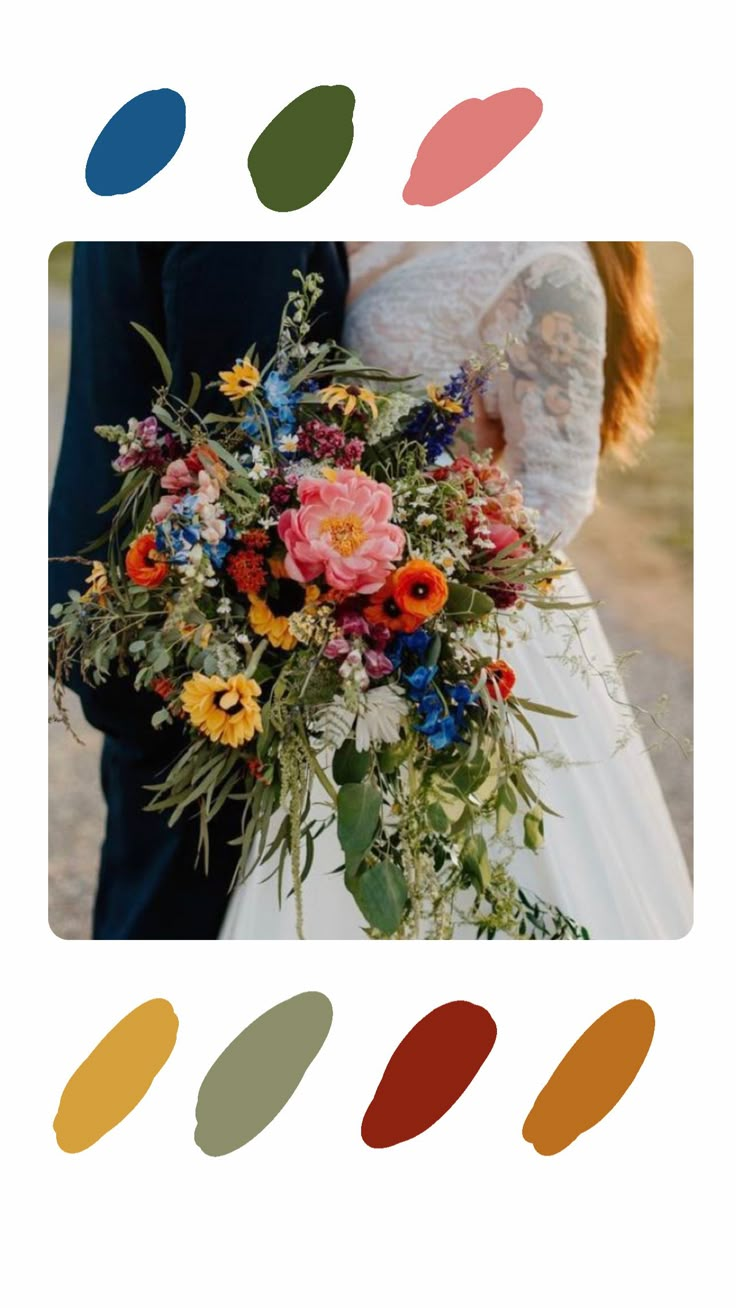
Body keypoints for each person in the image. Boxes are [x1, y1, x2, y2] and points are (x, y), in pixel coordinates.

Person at [219, 240, 693, 940]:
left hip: (451, 617)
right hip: (350, 607)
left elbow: (554, 493)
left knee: (468, 856)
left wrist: (408, 595)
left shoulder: (548, 266)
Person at [49, 241, 349, 939]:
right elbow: (229, 415)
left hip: (131, 579)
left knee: (152, 868)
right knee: (179, 899)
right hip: (191, 610)